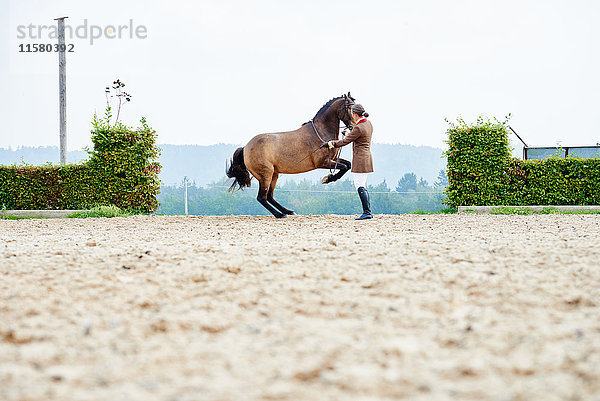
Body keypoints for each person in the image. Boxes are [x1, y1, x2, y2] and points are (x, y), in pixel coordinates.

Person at [328, 104, 373, 220]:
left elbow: (345, 141)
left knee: (359, 185)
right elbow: (357, 136)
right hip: (367, 158)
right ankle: (367, 211)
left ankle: (367, 212)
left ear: (355, 114)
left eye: (352, 114)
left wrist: (333, 143)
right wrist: (349, 133)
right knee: (362, 184)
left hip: (360, 159)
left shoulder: (358, 127)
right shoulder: (368, 124)